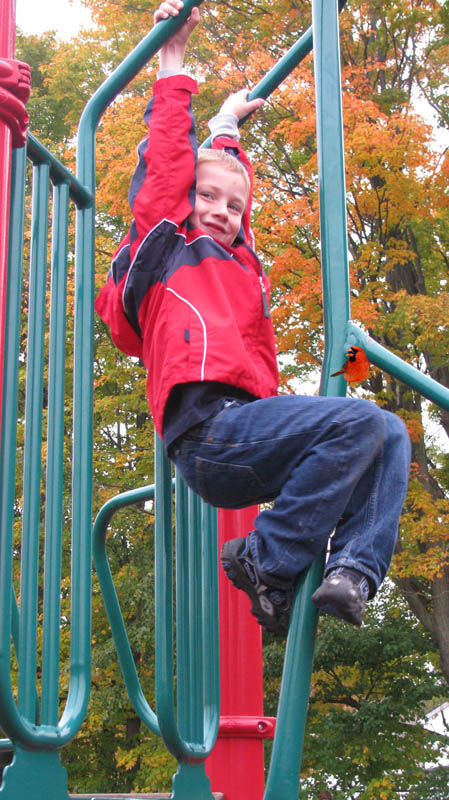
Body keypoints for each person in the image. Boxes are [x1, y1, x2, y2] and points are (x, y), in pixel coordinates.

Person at [95, 0, 411, 637]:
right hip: (208, 435)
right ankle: (266, 557)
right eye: (205, 198)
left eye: (234, 206)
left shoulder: (237, 263)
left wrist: (227, 128)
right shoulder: (164, 249)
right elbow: (168, 165)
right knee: (357, 424)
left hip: (251, 436)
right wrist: (174, 58)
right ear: (181, 205)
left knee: (390, 432)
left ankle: (352, 570)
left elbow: (230, 194)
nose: (221, 212)